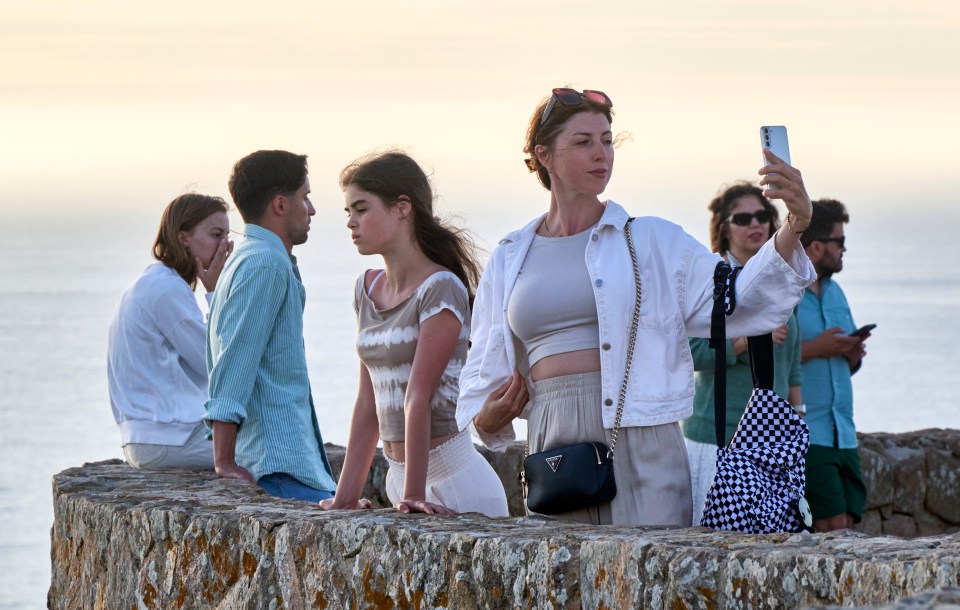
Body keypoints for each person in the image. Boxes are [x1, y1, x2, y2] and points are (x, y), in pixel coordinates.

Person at [456, 87, 818, 526]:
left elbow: (740, 303)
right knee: (566, 591)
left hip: (641, 434)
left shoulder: (650, 241)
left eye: (607, 140)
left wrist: (795, 225)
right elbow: (481, 371)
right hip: (552, 441)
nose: (601, 153)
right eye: (583, 141)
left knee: (650, 591)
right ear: (544, 155)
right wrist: (488, 419)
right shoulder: (510, 256)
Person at [321, 151, 509, 516]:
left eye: (361, 209)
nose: (351, 222)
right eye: (348, 212)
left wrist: (414, 495)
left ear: (402, 207)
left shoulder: (440, 288)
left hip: (453, 483)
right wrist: (345, 497)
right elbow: (367, 403)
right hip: (402, 481)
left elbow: (417, 396)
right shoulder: (366, 290)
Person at [204, 150, 337, 502]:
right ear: (280, 204)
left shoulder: (248, 259)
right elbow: (236, 359)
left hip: (281, 466)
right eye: (305, 197)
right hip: (277, 469)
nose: (311, 209)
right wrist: (224, 461)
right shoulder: (265, 265)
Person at [681, 182, 805, 524]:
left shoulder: (779, 280)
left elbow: (792, 362)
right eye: (743, 218)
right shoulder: (712, 278)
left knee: (768, 542)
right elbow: (689, 352)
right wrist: (744, 341)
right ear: (723, 227)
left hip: (771, 439)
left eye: (763, 215)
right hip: (717, 436)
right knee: (713, 545)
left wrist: (798, 416)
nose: (756, 224)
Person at [108, 193, 232, 469]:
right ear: (183, 237)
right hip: (169, 440)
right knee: (266, 449)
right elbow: (216, 364)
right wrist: (215, 291)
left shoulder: (154, 281)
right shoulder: (166, 289)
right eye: (216, 234)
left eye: (227, 235)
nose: (226, 245)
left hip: (151, 438)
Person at [797, 198, 868, 531]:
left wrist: (852, 355)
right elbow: (767, 360)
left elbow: (846, 364)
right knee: (832, 526)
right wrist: (817, 348)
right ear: (815, 247)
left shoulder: (837, 292)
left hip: (845, 433)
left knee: (850, 521)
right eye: (839, 242)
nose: (844, 249)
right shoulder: (787, 294)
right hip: (812, 434)